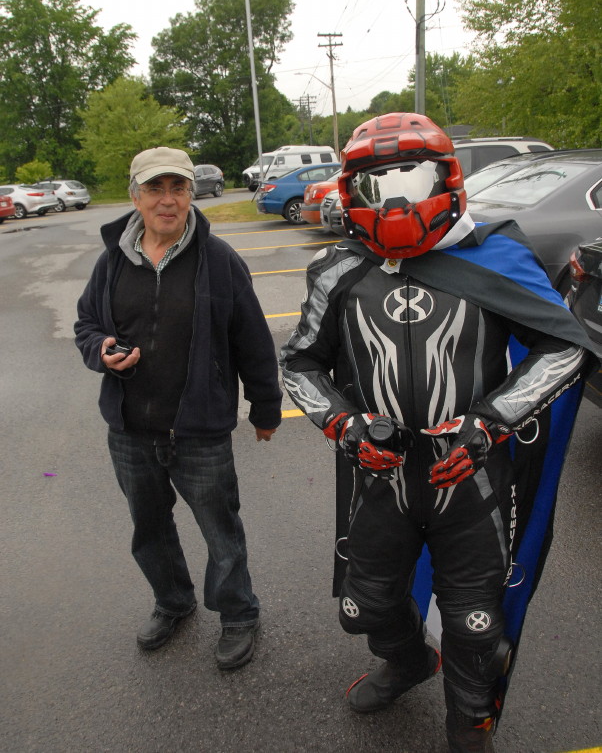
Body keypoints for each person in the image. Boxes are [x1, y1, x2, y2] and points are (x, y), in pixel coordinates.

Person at [279, 114, 595, 752]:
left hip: (472, 477)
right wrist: (344, 424)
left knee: (477, 628)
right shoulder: (337, 267)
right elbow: (299, 363)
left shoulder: (496, 251)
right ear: (350, 191)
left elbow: (565, 347)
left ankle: (469, 726)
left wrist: (491, 420)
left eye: (414, 178)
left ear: (446, 179)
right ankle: (408, 661)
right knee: (363, 606)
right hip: (380, 474)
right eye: (375, 185)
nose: (395, 200)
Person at [75, 147, 281, 669]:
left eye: (179, 188)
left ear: (192, 193)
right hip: (129, 428)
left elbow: (253, 341)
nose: (168, 200)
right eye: (155, 189)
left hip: (200, 430)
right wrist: (100, 350)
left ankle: (238, 614)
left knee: (220, 529)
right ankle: (173, 601)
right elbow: (86, 325)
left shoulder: (220, 261)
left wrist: (265, 409)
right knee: (149, 525)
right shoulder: (112, 260)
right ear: (135, 196)